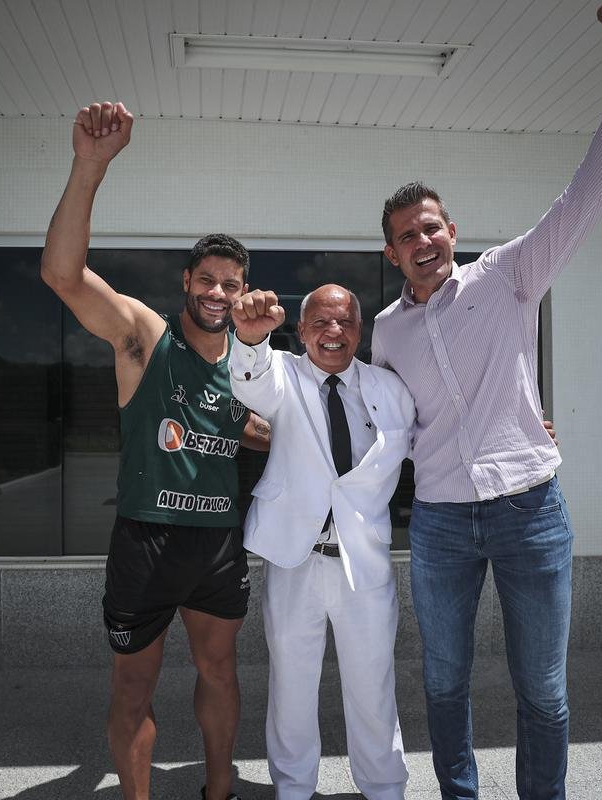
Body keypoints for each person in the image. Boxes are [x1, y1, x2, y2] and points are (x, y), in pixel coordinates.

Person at [371, 2, 602, 799]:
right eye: (405, 235)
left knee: (544, 693)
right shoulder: (387, 333)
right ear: (391, 252)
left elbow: (587, 192)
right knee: (443, 686)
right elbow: (384, 428)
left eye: (430, 226)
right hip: (437, 523)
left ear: (450, 229)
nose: (421, 241)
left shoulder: (509, 274)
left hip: (530, 511)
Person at [41, 101, 269, 800]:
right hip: (146, 542)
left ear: (243, 290)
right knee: (134, 687)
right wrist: (90, 165)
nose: (219, 292)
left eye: (232, 282)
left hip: (218, 548)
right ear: (187, 284)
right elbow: (64, 277)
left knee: (221, 673)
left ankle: (219, 791)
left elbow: (300, 432)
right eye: (207, 279)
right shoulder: (146, 336)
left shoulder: (256, 359)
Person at [227, 285, 414, 800]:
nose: (333, 333)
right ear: (303, 329)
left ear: (360, 330)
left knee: (374, 688)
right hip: (295, 563)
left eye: (345, 322)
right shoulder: (281, 374)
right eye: (320, 323)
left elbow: (436, 443)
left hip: (365, 566)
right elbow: (248, 380)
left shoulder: (389, 389)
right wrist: (247, 338)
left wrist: (516, 435)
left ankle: (384, 788)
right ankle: (293, 789)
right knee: (291, 686)